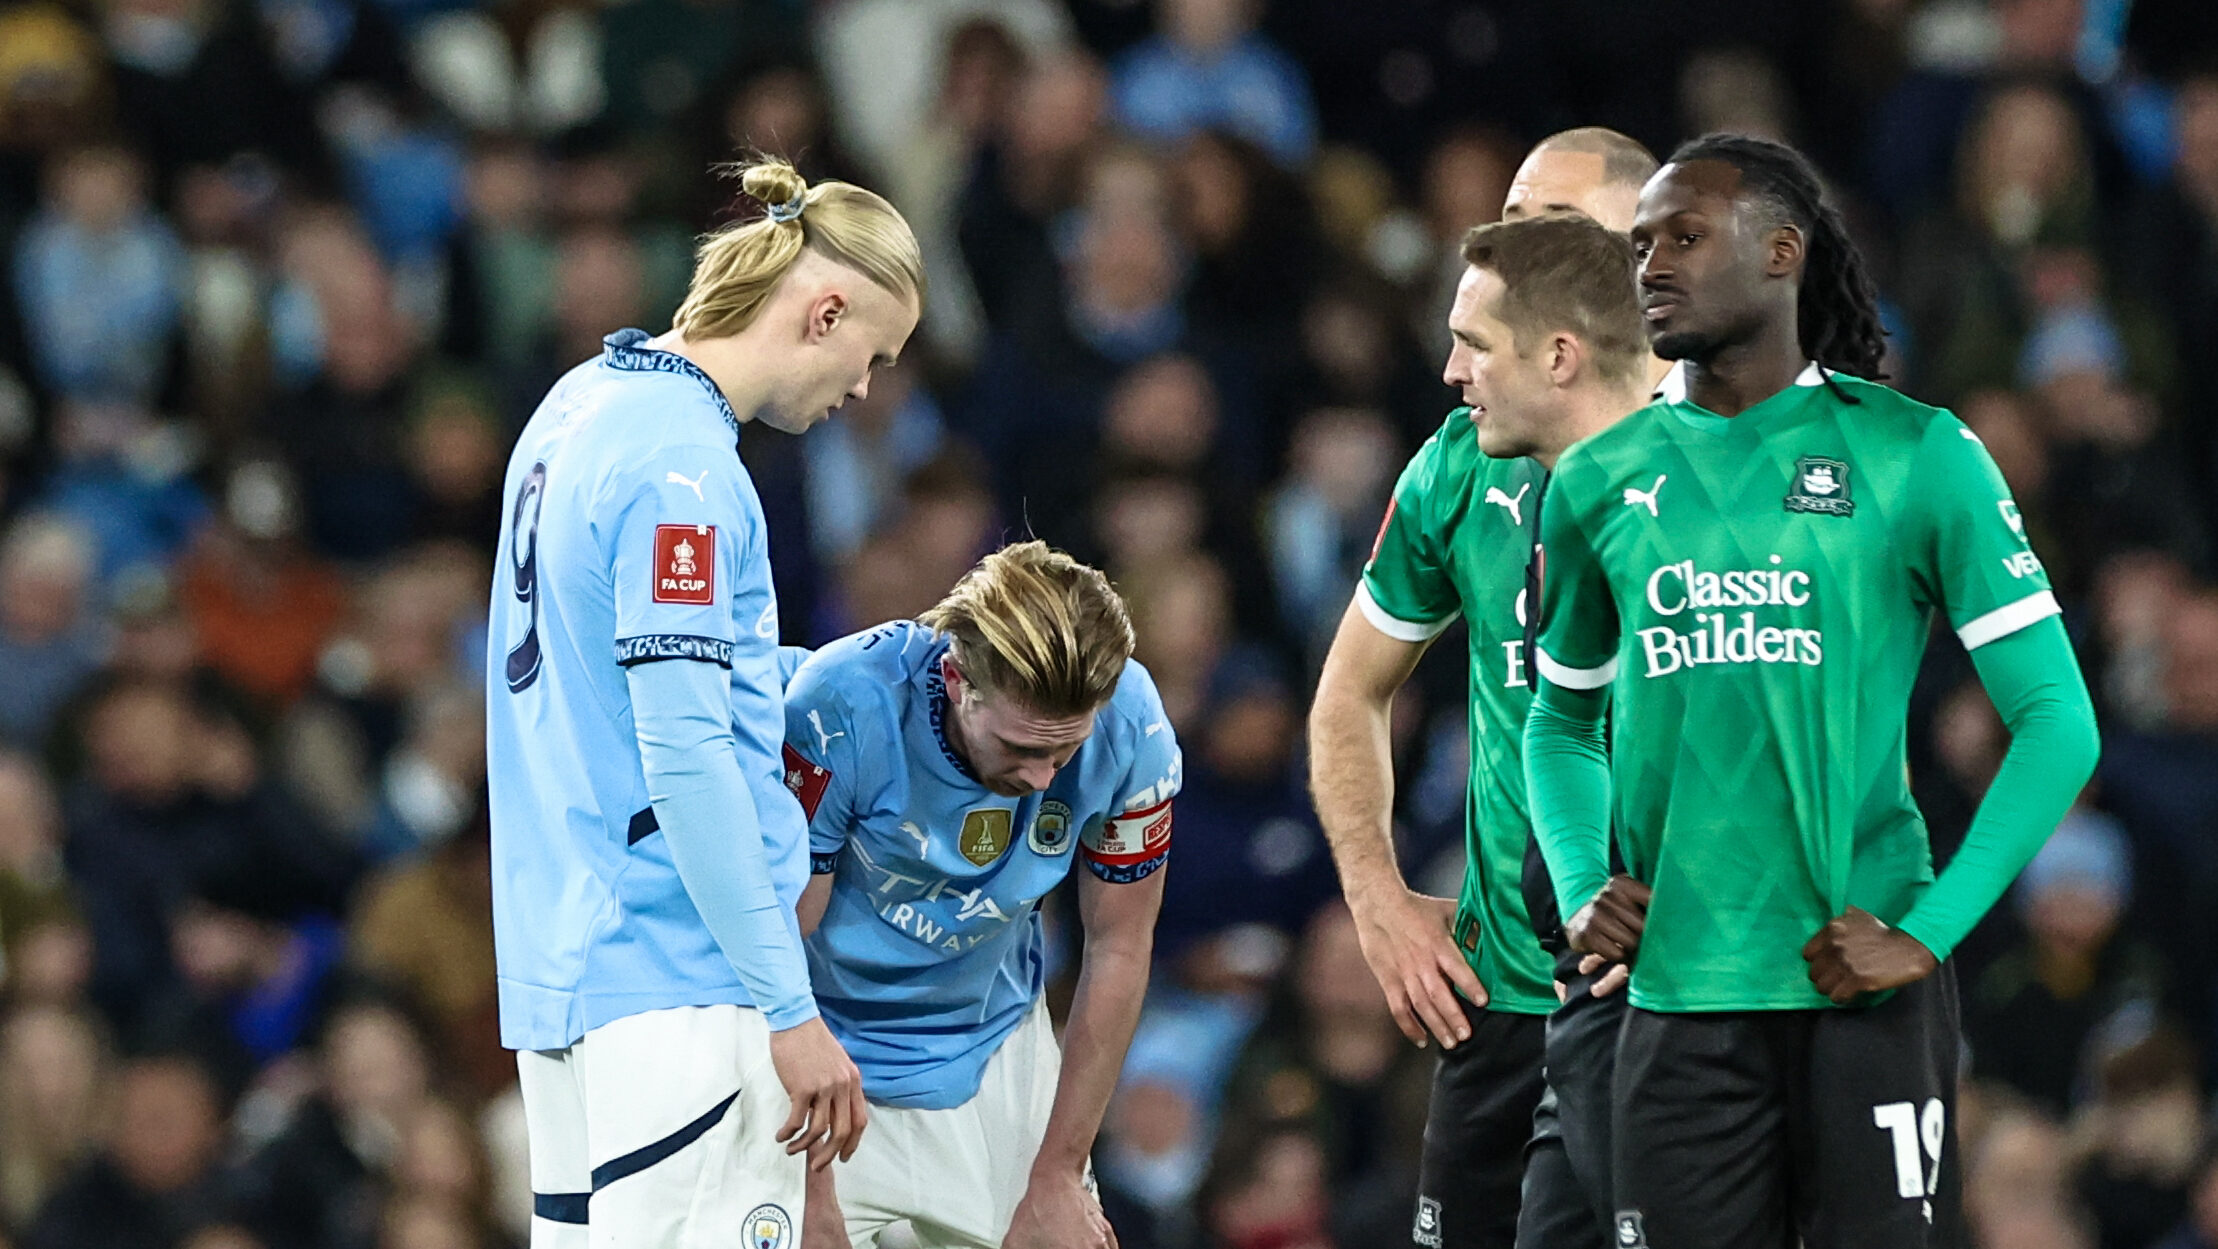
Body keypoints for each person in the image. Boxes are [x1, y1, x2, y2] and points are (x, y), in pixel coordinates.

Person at [1523, 133, 2101, 1249]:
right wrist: (1583, 877)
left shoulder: (1917, 453)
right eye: (1639, 245)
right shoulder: (1594, 477)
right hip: (1676, 997)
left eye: (1684, 237)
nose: (1650, 265)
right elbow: (1560, 720)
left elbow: (2057, 723)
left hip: (1861, 984)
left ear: (1781, 252)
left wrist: (1926, 933)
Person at [484, 155, 923, 1248]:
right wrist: (787, 1004)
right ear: (825, 312)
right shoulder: (684, 471)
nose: (865, 390)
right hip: (674, 975)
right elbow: (684, 755)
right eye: (874, 355)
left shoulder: (579, 402)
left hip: (566, 968)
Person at [1307, 124, 1657, 1249]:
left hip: (1670, 1000)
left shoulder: (1732, 458)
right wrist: (1377, 899)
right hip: (1501, 999)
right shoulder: (1460, 463)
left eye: (1551, 227)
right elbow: (1349, 692)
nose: (1516, 253)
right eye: (1508, 225)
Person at [783, 541, 1181, 1249]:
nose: (1042, 778)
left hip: (997, 1050)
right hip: (824, 1053)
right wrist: (806, 1187)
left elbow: (1120, 944)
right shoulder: (839, 706)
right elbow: (779, 941)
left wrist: (1058, 1172)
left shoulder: (1131, 724)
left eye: (1063, 750)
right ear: (957, 677)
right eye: (1020, 749)